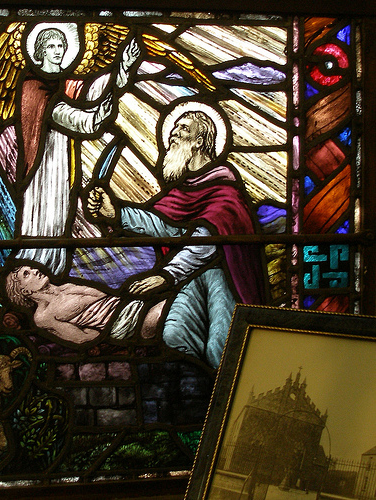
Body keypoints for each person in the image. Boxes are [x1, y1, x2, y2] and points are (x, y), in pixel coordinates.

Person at [86, 104, 266, 368]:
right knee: (173, 335)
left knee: (222, 348)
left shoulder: (225, 192)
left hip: (224, 278)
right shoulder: (183, 191)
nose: (173, 134)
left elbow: (206, 241)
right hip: (189, 278)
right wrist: (117, 213)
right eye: (174, 128)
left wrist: (166, 276)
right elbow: (164, 226)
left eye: (182, 128)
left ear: (199, 141)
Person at [15, 26, 140, 274]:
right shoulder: (33, 85)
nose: (57, 51)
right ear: (40, 51)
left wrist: (123, 68)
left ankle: (54, 270)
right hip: (43, 165)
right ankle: (33, 267)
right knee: (43, 214)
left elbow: (94, 91)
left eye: (60, 45)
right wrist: (94, 116)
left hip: (61, 159)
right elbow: (69, 116)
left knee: (60, 213)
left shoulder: (64, 81)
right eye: (51, 46)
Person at [5, 265, 165, 344]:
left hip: (130, 306)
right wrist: (105, 327)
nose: (35, 271)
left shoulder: (66, 286)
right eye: (27, 274)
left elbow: (104, 295)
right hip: (122, 323)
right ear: (25, 291)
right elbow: (82, 338)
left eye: (32, 268)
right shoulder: (43, 316)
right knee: (170, 307)